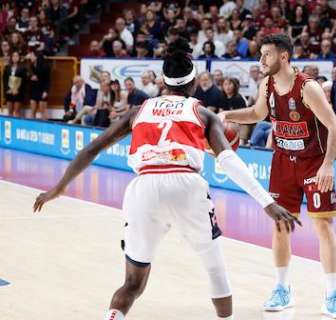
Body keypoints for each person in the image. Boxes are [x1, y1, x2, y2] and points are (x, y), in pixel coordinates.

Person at [33, 38, 300, 320]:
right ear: (193, 83)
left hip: (144, 188)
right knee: (215, 271)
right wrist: (266, 202)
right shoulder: (202, 112)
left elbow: (91, 149)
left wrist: (59, 187)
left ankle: (113, 316)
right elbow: (229, 161)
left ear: (163, 81)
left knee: (133, 283)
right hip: (186, 185)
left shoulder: (139, 111)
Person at [218, 34, 336, 319]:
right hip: (282, 162)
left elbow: (334, 127)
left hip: (314, 163)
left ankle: (333, 293)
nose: (261, 59)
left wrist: (328, 165)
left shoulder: (308, 88)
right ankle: (282, 288)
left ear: (284, 57)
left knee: (324, 226)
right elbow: (256, 113)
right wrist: (228, 114)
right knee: (281, 226)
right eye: (261, 54)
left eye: (267, 54)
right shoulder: (267, 84)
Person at [27, 50, 51, 120]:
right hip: (34, 89)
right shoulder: (31, 65)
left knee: (43, 111)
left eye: (32, 55)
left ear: (36, 57)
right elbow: (28, 74)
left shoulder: (45, 66)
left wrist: (46, 91)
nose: (30, 57)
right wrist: (31, 77)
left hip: (42, 90)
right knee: (32, 111)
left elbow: (48, 80)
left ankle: (46, 128)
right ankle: (32, 128)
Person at [3, 51, 27, 117]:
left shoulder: (23, 68)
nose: (15, 58)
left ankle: (16, 126)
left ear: (19, 58)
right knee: (10, 112)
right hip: (9, 92)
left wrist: (17, 90)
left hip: (18, 92)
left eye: (16, 56)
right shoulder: (7, 67)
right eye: (13, 56)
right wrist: (8, 89)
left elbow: (24, 81)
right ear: (11, 57)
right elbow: (5, 80)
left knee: (17, 112)